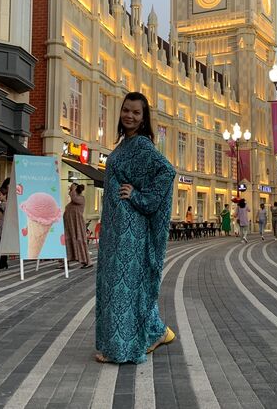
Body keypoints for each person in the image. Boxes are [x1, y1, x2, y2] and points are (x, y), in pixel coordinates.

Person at [96, 92, 176, 364]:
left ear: (143, 118)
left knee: (124, 288)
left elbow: (166, 171)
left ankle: (123, 348)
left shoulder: (141, 145)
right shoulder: (123, 145)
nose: (129, 116)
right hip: (115, 229)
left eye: (136, 112)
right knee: (118, 285)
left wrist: (139, 197)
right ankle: (155, 331)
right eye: (126, 110)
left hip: (130, 229)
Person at [60, 183, 92, 269]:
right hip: (69, 225)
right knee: (67, 242)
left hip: (77, 224)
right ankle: (65, 262)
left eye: (71, 190)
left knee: (80, 241)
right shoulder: (72, 202)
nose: (69, 191)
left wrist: (73, 188)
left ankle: (87, 262)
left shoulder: (81, 199)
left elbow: (74, 197)